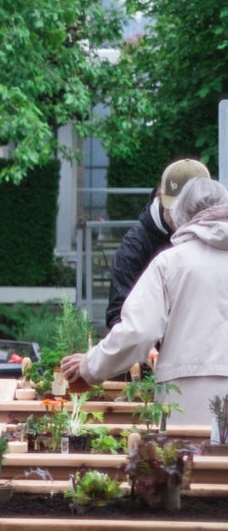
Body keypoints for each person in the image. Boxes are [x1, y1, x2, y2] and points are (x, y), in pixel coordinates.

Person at [65, 175, 228, 426]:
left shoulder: (171, 263)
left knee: (189, 463)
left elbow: (137, 332)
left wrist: (90, 366)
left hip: (186, 399)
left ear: (181, 212)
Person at [104, 158, 210, 330]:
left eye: (194, 209)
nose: (185, 217)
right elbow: (119, 314)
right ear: (161, 197)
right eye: (177, 208)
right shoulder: (135, 246)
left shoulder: (218, 238)